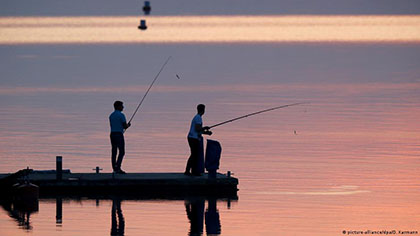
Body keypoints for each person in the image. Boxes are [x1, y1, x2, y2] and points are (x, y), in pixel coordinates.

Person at [185, 104, 212, 176]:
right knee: (194, 155)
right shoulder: (198, 118)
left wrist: (206, 132)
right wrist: (204, 128)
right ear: (203, 110)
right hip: (193, 138)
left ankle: (190, 171)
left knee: (194, 155)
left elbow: (198, 130)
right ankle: (191, 171)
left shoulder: (197, 117)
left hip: (192, 137)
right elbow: (197, 129)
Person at [109, 101, 131, 174]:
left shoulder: (111, 115)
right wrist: (128, 125)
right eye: (122, 106)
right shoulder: (121, 115)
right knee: (122, 152)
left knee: (114, 152)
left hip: (112, 134)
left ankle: (114, 168)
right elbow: (124, 126)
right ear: (118, 106)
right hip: (119, 134)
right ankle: (118, 167)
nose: (123, 107)